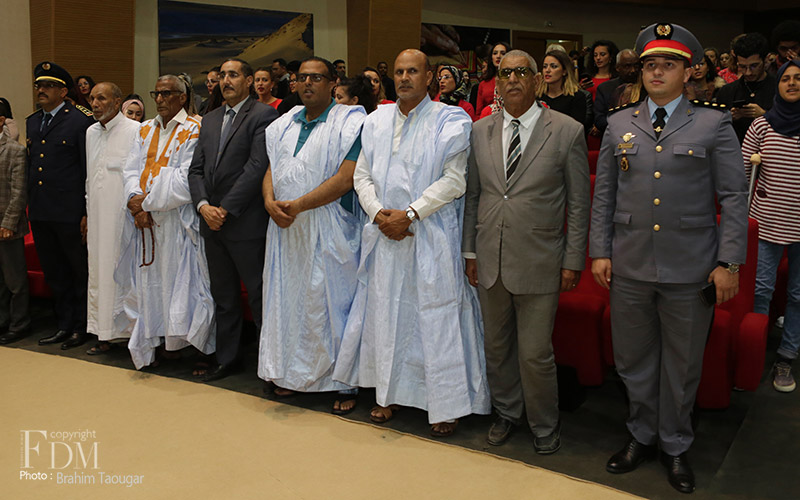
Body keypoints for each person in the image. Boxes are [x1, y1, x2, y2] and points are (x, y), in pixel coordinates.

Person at [590, 23, 748, 494]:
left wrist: (729, 263)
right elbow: (605, 196)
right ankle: (641, 435)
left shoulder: (713, 123)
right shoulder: (619, 123)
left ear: (688, 71)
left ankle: (675, 444)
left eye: (668, 64)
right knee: (632, 359)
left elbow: (733, 197)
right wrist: (600, 250)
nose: (657, 72)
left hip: (690, 267)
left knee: (681, 365)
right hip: (630, 264)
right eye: (650, 65)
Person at [333, 48, 491, 438]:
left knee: (434, 317)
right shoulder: (376, 120)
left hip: (430, 232)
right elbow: (361, 175)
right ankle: (388, 394)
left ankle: (445, 403)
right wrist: (378, 214)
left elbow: (455, 179)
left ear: (429, 76)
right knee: (387, 315)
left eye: (413, 71)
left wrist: (411, 214)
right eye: (399, 71)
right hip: (384, 232)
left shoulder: (451, 119)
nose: (404, 78)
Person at [463, 49, 590, 454]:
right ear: (497, 83)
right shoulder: (479, 131)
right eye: (505, 73)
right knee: (497, 347)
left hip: (540, 259)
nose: (513, 79)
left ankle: (544, 422)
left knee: (535, 353)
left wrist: (573, 260)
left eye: (522, 72)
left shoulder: (567, 131)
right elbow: (473, 196)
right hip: (490, 257)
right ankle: (506, 413)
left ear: (537, 81)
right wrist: (470, 252)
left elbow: (579, 204)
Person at [259, 57, 366, 413]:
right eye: (302, 77)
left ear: (333, 83)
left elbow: (346, 178)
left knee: (330, 305)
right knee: (287, 302)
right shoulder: (283, 124)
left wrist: (299, 205)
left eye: (316, 78)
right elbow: (273, 168)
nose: (307, 83)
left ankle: (342, 381)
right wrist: (269, 202)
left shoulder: (351, 122)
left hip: (329, 228)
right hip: (285, 229)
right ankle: (290, 375)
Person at [188, 58, 279, 382]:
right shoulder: (211, 118)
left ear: (249, 80)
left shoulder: (263, 115)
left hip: (245, 222)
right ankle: (228, 359)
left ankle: (269, 366)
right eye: (222, 76)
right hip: (211, 222)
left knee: (258, 296)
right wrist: (203, 206)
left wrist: (224, 209)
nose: (226, 81)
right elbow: (195, 169)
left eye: (233, 75)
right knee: (224, 297)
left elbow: (257, 167)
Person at [116, 75, 215, 370]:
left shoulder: (195, 128)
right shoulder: (145, 128)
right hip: (145, 221)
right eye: (156, 93)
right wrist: (135, 201)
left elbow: (186, 178)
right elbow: (130, 169)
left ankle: (195, 347)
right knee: (151, 285)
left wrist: (145, 204)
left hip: (177, 221)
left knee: (186, 285)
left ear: (182, 97)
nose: (159, 99)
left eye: (166, 93)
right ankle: (161, 342)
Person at [741, 59, 800, 393]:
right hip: (766, 222)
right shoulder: (761, 126)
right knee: (760, 290)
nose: (792, 83)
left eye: (798, 78)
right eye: (785, 78)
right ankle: (756, 351)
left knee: (798, 295)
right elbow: (742, 173)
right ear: (777, 85)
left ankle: (786, 355)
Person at [27, 61, 94, 350]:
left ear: (63, 91)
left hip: (70, 212)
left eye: (48, 86)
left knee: (77, 271)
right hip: (42, 211)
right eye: (39, 85)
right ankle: (64, 324)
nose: (41, 90)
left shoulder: (80, 121)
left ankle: (81, 326)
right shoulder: (33, 121)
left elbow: (87, 169)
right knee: (54, 272)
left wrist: (86, 212)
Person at [83, 82, 141, 355]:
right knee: (99, 273)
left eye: (101, 99)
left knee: (124, 274)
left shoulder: (135, 130)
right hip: (97, 217)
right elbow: (90, 177)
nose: (95, 104)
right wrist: (87, 212)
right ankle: (103, 332)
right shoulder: (90, 132)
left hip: (123, 219)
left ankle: (132, 337)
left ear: (117, 102)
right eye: (92, 99)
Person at [0, 98, 31, 345]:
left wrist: (8, 223)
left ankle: (20, 324)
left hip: (7, 225)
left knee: (15, 280)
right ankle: (2, 320)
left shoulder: (15, 150)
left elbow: (19, 191)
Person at [716, 32, 776, 143]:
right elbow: (716, 130)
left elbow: (791, 125)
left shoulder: (779, 88)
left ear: (766, 60)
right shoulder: (727, 91)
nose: (748, 72)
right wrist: (728, 118)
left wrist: (765, 116)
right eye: (742, 66)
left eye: (754, 66)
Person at [537, 49, 593, 132]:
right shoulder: (537, 96)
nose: (547, 70)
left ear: (564, 71)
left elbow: (575, 129)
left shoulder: (576, 97)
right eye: (545, 66)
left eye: (553, 66)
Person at [594, 49, 642, 133]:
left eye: (636, 66)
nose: (633, 70)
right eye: (627, 66)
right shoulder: (605, 88)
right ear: (618, 68)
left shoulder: (647, 88)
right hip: (612, 134)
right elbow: (599, 120)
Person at [476, 42, 511, 116]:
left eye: (503, 53)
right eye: (495, 53)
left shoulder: (514, 80)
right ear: (491, 58)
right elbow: (478, 113)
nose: (498, 56)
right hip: (487, 119)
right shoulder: (483, 84)